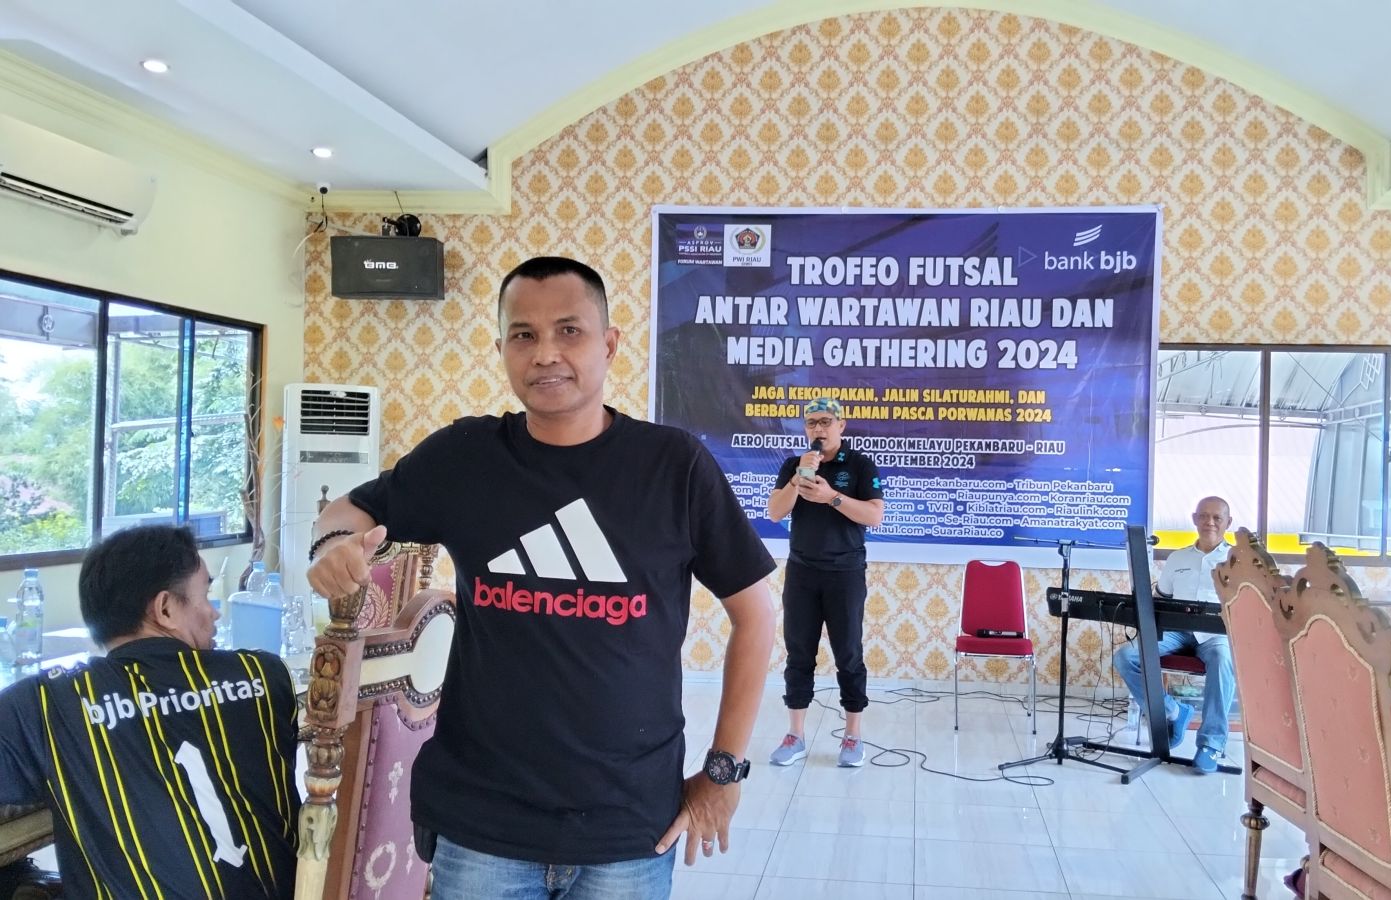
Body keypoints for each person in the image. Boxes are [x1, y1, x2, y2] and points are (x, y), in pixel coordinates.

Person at [307, 256, 776, 900]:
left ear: (609, 344)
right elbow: (348, 510)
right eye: (523, 335)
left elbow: (756, 614)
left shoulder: (673, 467)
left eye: (569, 331)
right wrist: (333, 544)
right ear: (501, 348)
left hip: (629, 829)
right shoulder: (466, 458)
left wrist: (723, 773)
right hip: (483, 827)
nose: (545, 353)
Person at [0, 525, 299, 899]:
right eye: (206, 596)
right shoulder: (265, 675)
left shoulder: (49, 703)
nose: (214, 614)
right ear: (165, 608)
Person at [765, 397, 885, 767]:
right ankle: (795, 734)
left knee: (848, 653)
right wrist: (799, 477)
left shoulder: (860, 465)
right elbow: (775, 512)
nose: (819, 429)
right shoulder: (794, 465)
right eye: (812, 423)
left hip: (845, 573)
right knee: (798, 653)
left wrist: (831, 497)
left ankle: (853, 736)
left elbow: (874, 516)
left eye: (826, 422)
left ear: (841, 425)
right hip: (802, 572)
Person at [1112, 495, 1237, 774]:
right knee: (1125, 657)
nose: (1210, 522)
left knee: (1223, 660)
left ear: (1228, 522)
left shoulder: (1236, 561)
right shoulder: (1177, 558)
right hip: (1177, 632)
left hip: (1215, 636)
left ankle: (1211, 744)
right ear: (1194, 519)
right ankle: (1173, 711)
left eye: (1217, 517)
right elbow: (1161, 598)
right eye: (1204, 516)